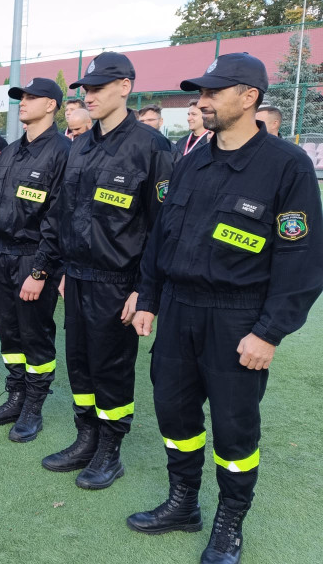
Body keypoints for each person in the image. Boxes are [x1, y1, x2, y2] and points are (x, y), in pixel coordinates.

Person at [127, 53, 323, 564]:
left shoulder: (287, 166)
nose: (202, 101)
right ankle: (183, 503)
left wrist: (270, 332)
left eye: (214, 92)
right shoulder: (190, 160)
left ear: (249, 97)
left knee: (235, 427)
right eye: (200, 93)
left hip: (238, 318)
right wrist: (148, 297)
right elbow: (160, 238)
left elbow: (300, 261)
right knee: (173, 411)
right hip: (177, 310)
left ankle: (230, 522)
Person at [33, 51, 174, 490]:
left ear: (125, 87)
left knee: (111, 368)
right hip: (76, 277)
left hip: (119, 283)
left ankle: (110, 451)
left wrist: (145, 291)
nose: (87, 96)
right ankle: (86, 438)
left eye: (97, 88)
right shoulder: (81, 144)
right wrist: (51, 268)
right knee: (80, 364)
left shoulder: (152, 148)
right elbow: (60, 213)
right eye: (85, 89)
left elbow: (163, 228)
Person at [0, 78, 71, 442]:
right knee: (9, 332)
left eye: (31, 97)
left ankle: (33, 406)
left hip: (33, 258)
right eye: (21, 97)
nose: (23, 103)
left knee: (35, 335)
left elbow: (58, 218)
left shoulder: (63, 152)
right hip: (1, 257)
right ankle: (15, 395)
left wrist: (40, 270)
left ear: (51, 105)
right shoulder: (10, 151)